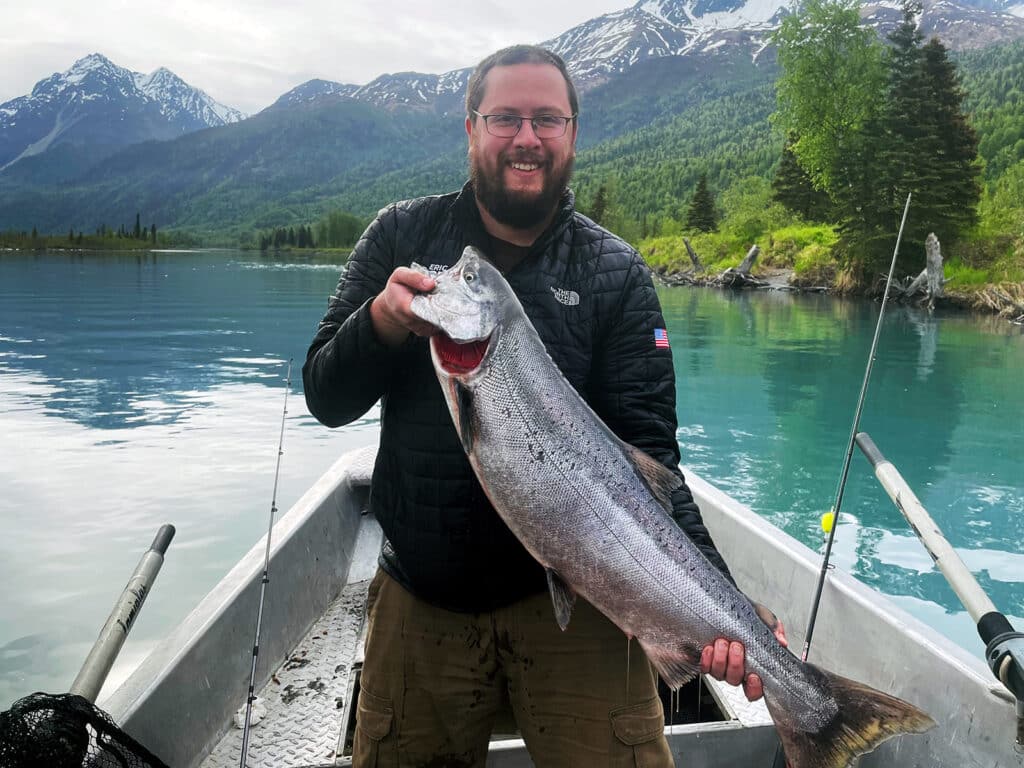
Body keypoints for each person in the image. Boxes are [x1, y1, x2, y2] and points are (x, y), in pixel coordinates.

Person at [303, 44, 786, 767]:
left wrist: (731, 610)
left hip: (586, 614)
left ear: (572, 134)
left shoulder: (615, 271)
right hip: (422, 599)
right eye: (505, 118)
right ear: (471, 129)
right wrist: (378, 323)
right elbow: (325, 396)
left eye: (547, 119)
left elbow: (652, 464)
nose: (526, 137)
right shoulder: (401, 236)